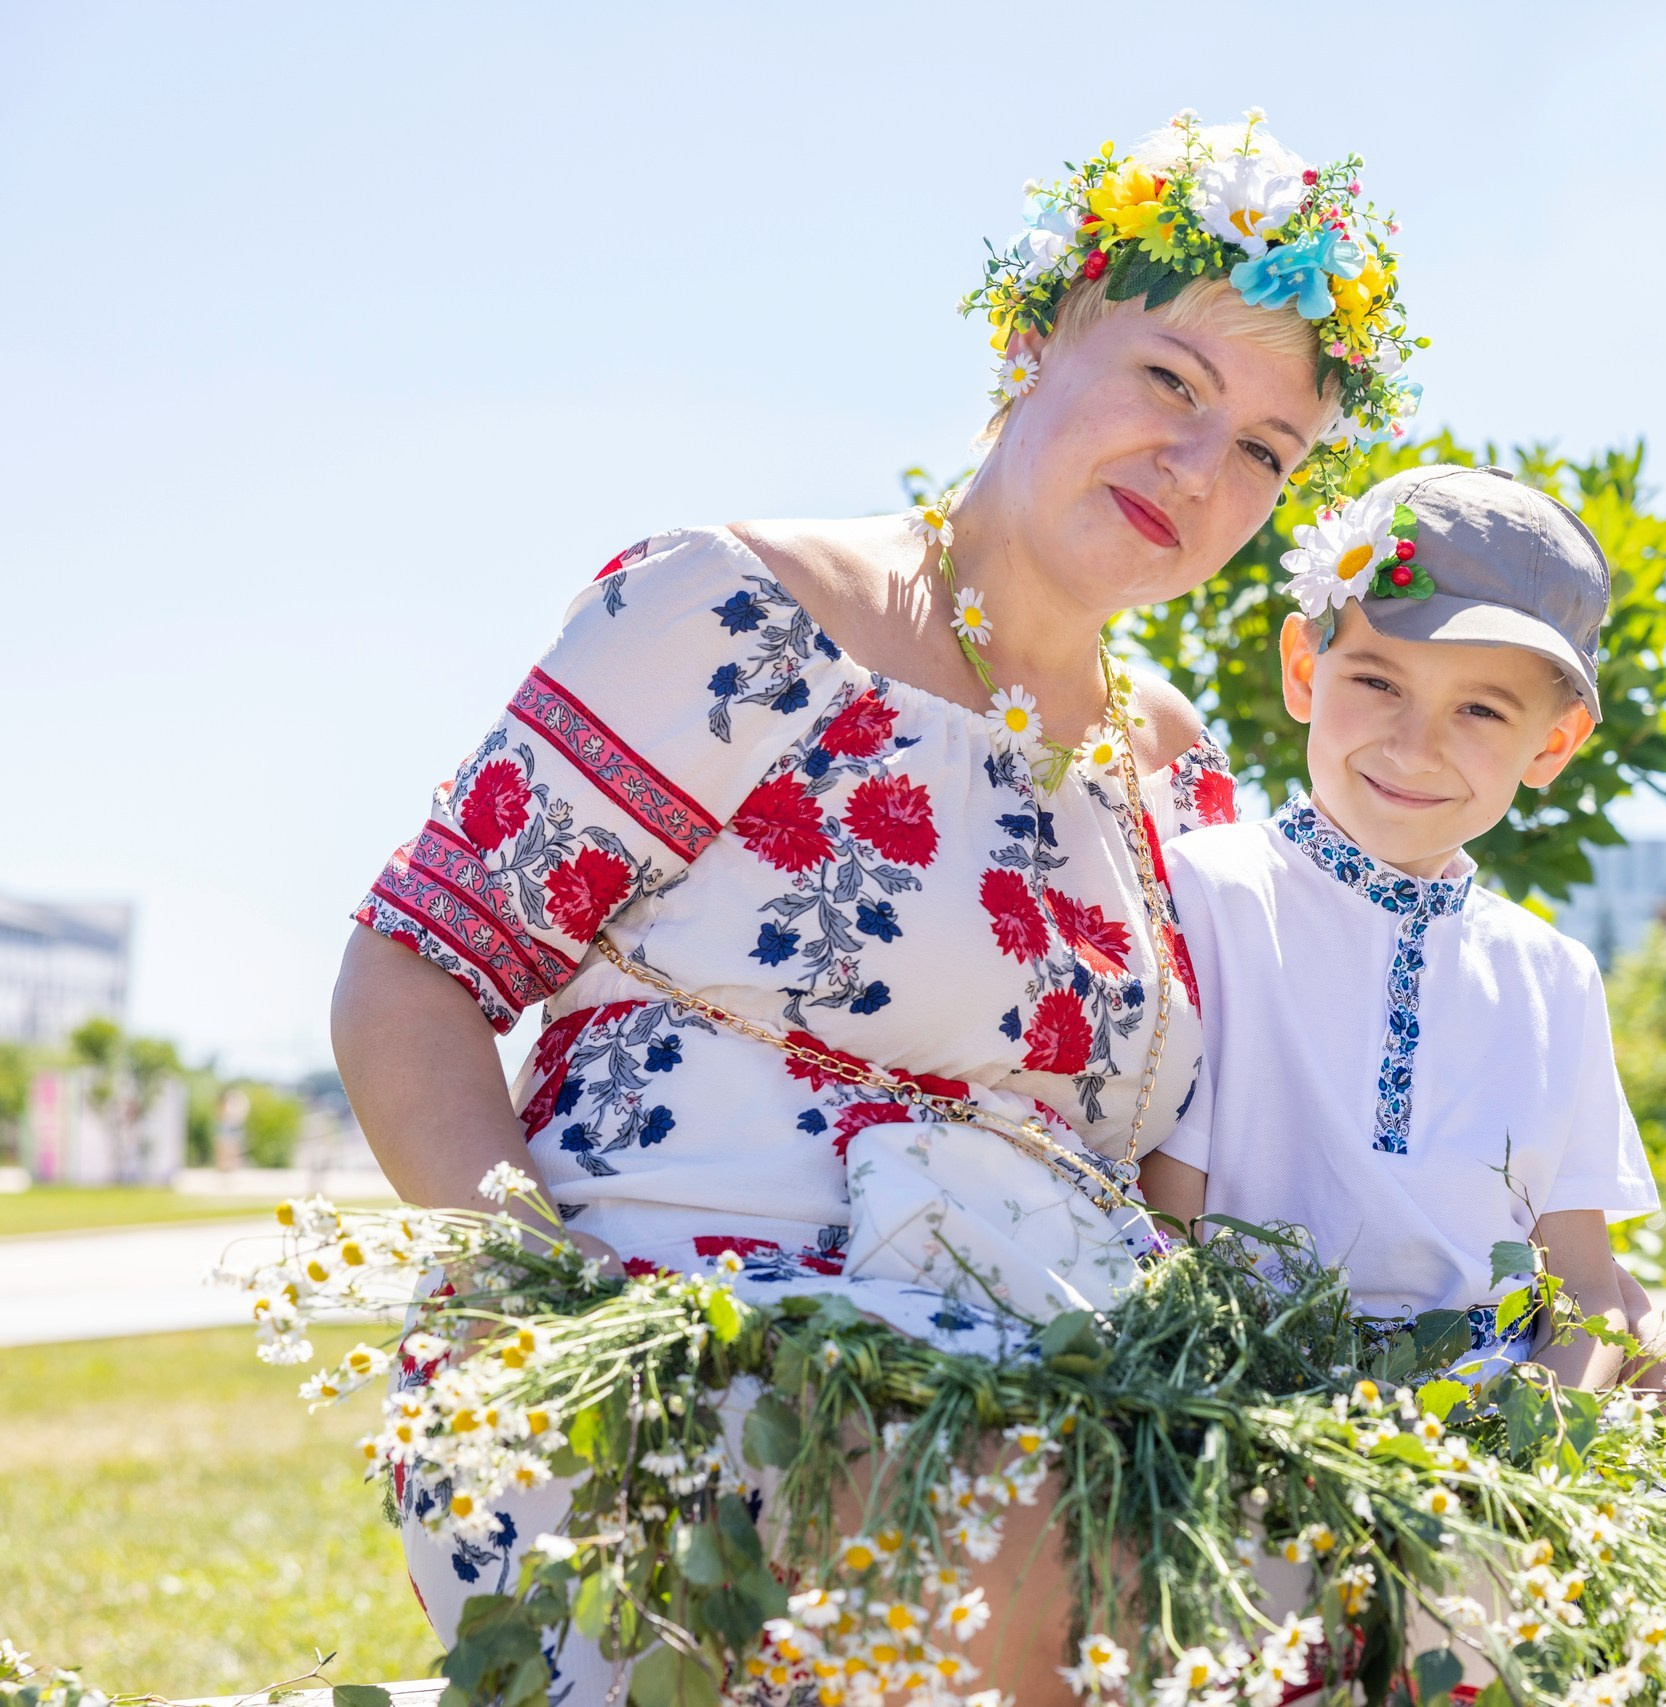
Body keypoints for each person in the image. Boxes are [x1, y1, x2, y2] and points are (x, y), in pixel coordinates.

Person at [330, 113, 1417, 1707]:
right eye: (1171, 379)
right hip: (683, 1362)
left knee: (1398, 1569)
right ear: (1034, 336)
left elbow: (1184, 1155)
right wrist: (542, 1322)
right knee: (1007, 1535)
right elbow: (416, 970)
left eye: (1266, 447)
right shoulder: (743, 608)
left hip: (1068, 1376)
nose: (1204, 468)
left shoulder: (1183, 769)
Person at [1139, 465, 1666, 1391]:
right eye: (1378, 680)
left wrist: (1533, 1461)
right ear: (1302, 670)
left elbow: (1587, 1289)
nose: (1415, 746)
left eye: (1481, 708)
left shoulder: (1554, 975)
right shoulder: (1210, 893)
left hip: (1497, 1429)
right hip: (1251, 1399)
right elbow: (1169, 1232)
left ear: (1552, 746)